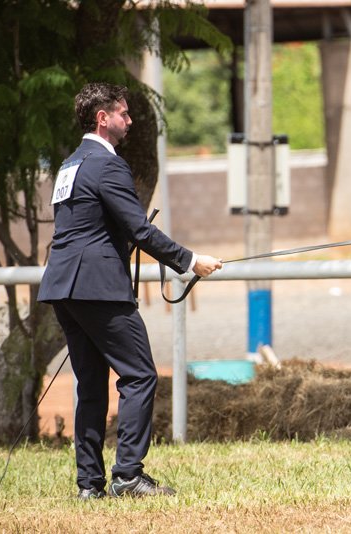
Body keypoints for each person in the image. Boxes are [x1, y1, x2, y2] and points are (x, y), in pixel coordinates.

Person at [38, 82, 223, 500]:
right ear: (103, 119)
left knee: (90, 384)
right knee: (139, 375)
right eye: (123, 113)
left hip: (63, 285)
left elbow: (91, 226)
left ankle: (90, 484)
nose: (130, 119)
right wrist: (191, 261)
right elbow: (139, 228)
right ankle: (128, 475)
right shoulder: (108, 164)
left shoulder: (70, 164)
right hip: (97, 287)